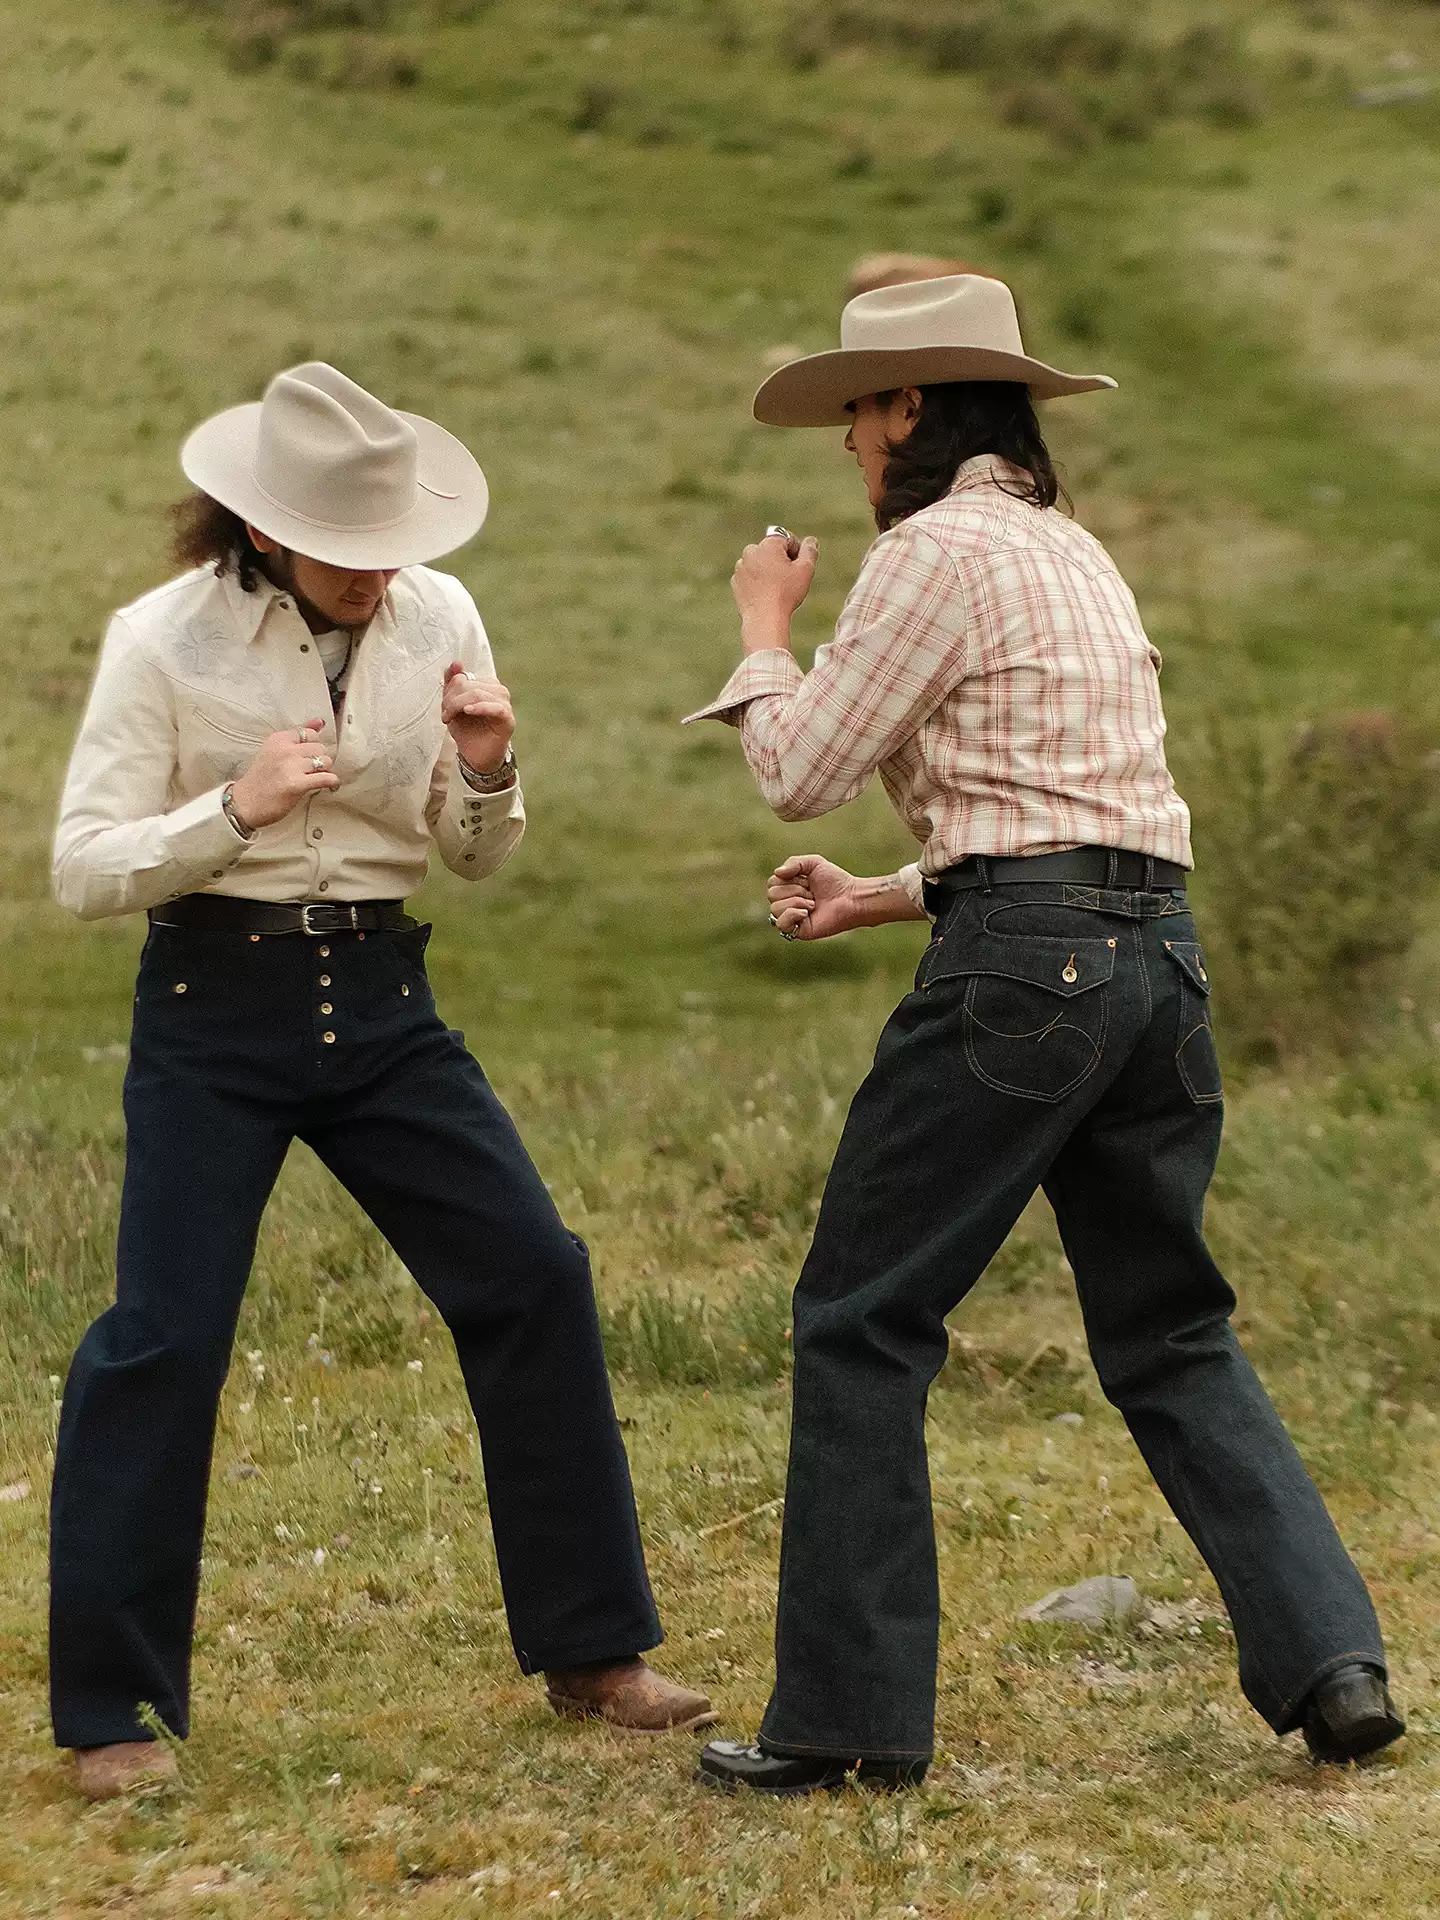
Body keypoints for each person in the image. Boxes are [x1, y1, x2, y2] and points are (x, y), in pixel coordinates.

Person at [685, 276, 1404, 1794]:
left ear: (909, 411)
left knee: (861, 1316)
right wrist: (885, 896)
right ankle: (1335, 1664)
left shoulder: (931, 552)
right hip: (1158, 964)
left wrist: (761, 627)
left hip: (1026, 969)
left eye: (858, 415)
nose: (850, 446)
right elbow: (1076, 819)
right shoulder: (1075, 554)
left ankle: (848, 1725)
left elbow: (802, 768)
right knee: (1172, 1329)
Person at [50, 362, 711, 1802]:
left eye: (388, 543)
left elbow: (473, 856)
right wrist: (233, 811)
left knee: (533, 1275)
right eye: (341, 547)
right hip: (211, 1011)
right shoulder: (162, 639)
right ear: (263, 528)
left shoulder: (441, 616)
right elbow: (82, 867)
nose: (373, 573)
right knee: (162, 1338)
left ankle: (594, 1651)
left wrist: (490, 768)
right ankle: (114, 1712)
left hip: (385, 1000)